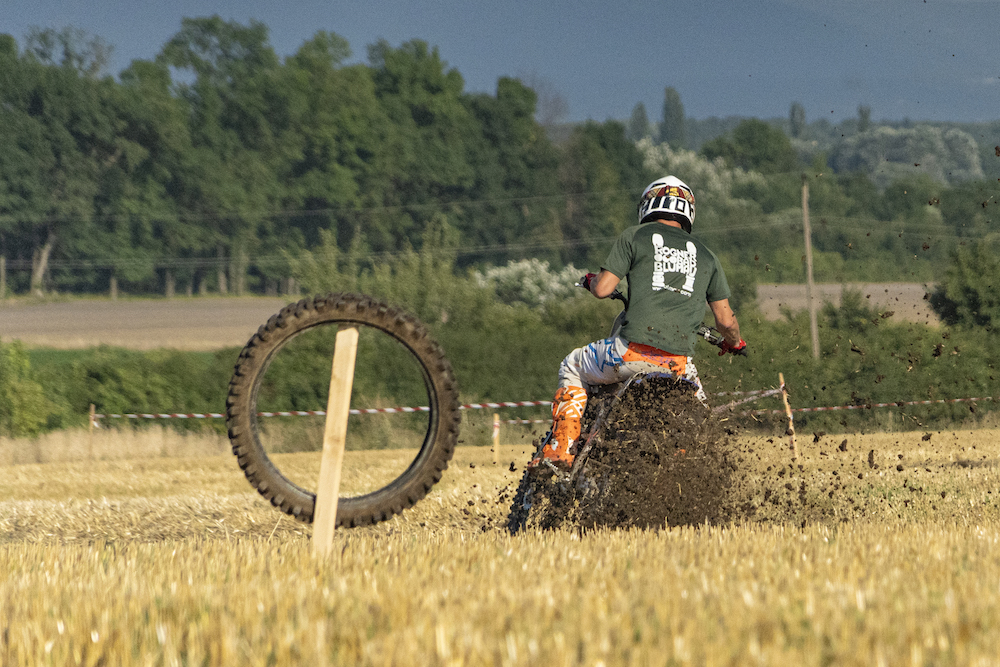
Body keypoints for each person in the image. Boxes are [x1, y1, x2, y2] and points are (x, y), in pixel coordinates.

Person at [530, 175, 746, 470]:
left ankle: (562, 448)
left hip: (628, 355)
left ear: (649, 205)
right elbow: (726, 321)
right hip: (677, 367)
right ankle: (692, 465)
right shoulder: (708, 257)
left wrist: (592, 281)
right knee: (700, 414)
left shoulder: (635, 236)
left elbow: (604, 289)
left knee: (571, 364)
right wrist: (735, 344)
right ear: (688, 212)